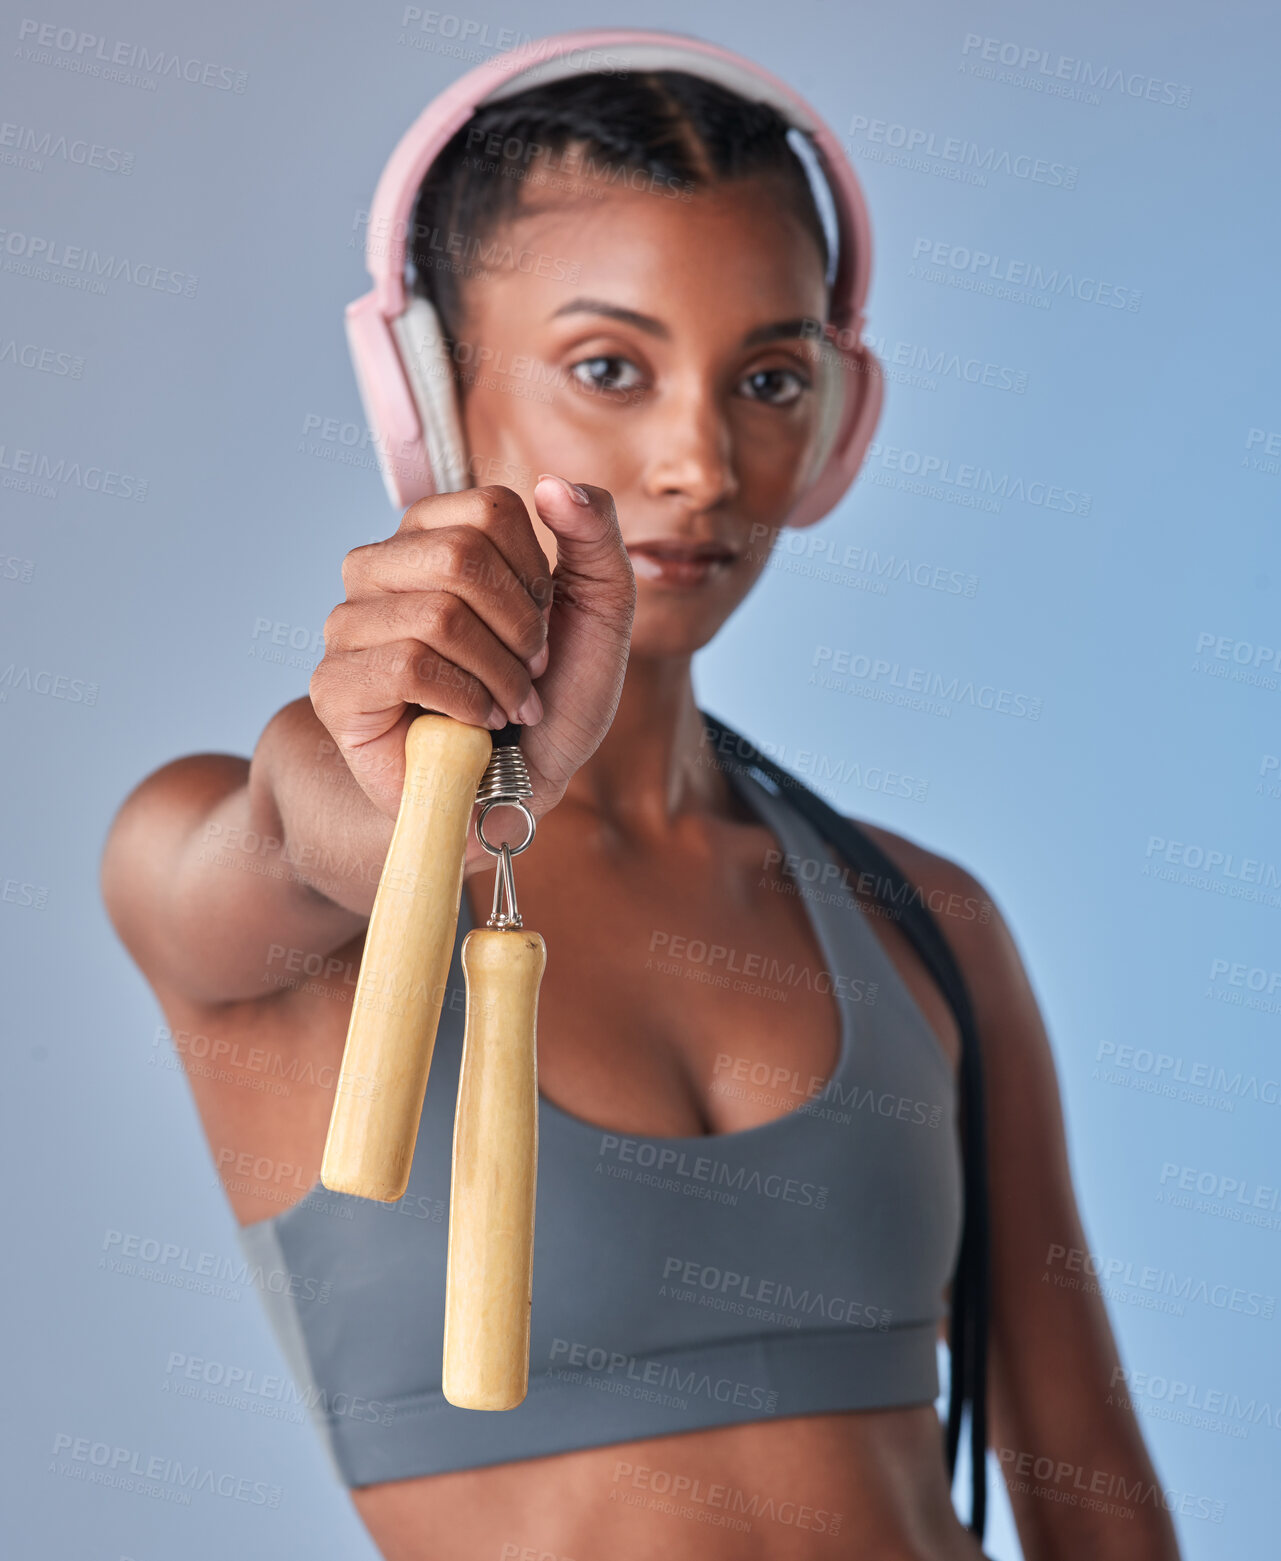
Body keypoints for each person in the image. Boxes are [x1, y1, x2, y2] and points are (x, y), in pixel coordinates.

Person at [101, 31, 1181, 1561]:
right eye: (609, 366)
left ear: (836, 421)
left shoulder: (924, 921)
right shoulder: (229, 853)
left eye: (768, 376)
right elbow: (296, 837)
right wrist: (408, 797)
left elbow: (1084, 1473)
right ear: (428, 392)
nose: (696, 457)